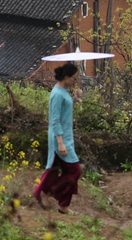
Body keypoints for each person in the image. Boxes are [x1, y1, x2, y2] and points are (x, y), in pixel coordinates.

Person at [34, 62, 82, 214]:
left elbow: (65, 111)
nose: (75, 81)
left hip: (66, 137)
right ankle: (46, 192)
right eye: (74, 78)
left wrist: (74, 99)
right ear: (66, 77)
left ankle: (63, 206)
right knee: (75, 171)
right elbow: (55, 120)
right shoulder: (56, 94)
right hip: (59, 138)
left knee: (64, 171)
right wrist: (60, 143)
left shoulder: (64, 91)